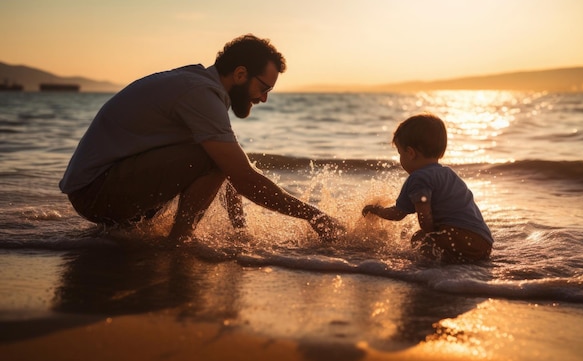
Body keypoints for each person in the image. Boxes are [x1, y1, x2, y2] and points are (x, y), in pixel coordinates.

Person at [60, 34, 342, 242]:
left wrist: (239, 229)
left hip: (97, 191)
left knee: (219, 154)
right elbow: (241, 177)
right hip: (96, 194)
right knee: (215, 158)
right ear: (241, 74)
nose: (264, 98)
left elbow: (232, 171)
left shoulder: (199, 86)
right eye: (263, 87)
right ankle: (179, 242)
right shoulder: (200, 94)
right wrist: (314, 216)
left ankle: (177, 237)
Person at [362, 113, 493, 262]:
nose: (400, 159)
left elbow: (408, 215)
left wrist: (376, 210)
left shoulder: (418, 178)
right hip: (484, 241)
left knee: (420, 239)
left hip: (460, 237)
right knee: (444, 250)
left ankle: (429, 274)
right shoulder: (448, 174)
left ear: (410, 153)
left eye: (400, 153)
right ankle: (456, 268)